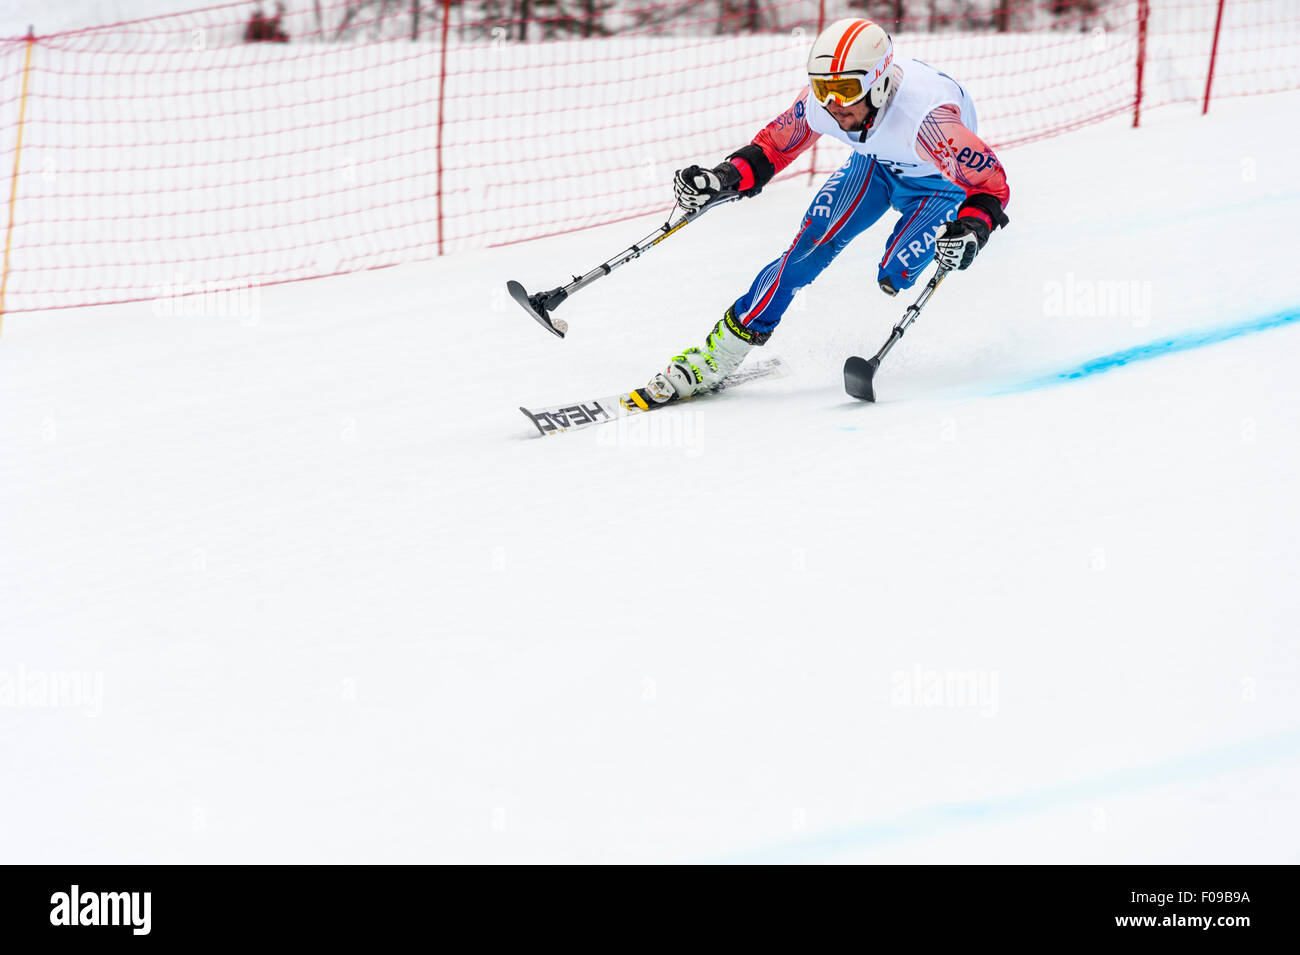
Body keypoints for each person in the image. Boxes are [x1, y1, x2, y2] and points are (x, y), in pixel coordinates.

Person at [639, 18, 1011, 405]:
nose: (833, 104)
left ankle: (899, 271)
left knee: (895, 274)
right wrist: (723, 177)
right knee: (804, 254)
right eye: (823, 88)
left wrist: (972, 227)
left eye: (846, 90)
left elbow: (990, 185)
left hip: (938, 184)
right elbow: (773, 149)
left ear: (879, 84)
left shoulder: (930, 121)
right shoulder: (821, 103)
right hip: (875, 167)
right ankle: (720, 355)